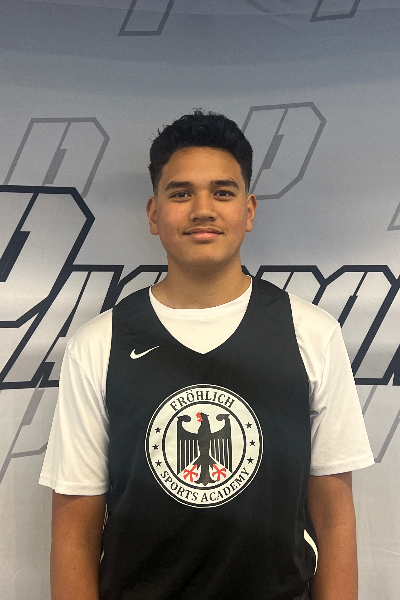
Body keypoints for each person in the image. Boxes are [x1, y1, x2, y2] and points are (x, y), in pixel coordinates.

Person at [39, 110, 374, 600]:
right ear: (154, 214)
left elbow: (334, 514)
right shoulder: (98, 343)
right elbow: (74, 525)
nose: (202, 209)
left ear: (249, 210)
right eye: (181, 193)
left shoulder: (312, 334)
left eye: (223, 192)